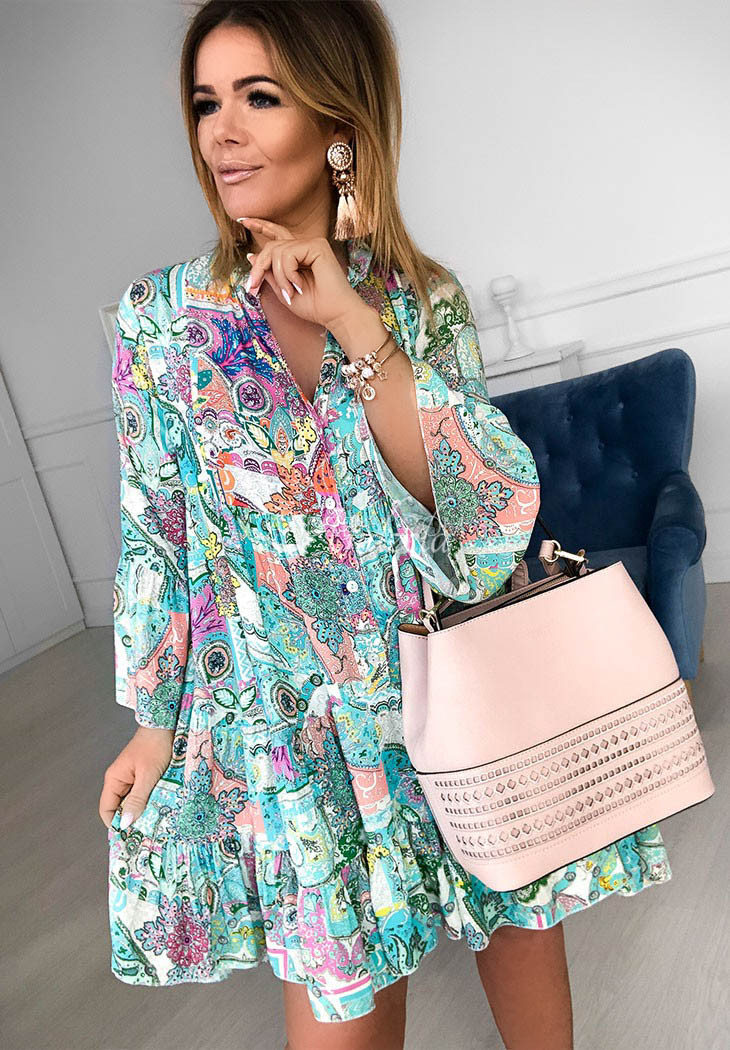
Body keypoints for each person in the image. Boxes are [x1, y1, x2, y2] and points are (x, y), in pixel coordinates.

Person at [98, 3, 672, 1048]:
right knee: (342, 1002)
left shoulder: (419, 300)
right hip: (298, 729)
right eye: (206, 103)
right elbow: (159, 532)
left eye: (259, 97)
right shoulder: (160, 322)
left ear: (337, 123)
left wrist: (358, 327)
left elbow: (483, 522)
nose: (223, 132)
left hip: (456, 683)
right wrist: (154, 718)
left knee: (520, 937)